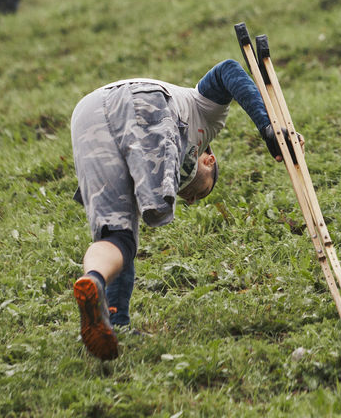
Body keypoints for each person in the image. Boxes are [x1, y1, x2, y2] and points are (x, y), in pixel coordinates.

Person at [69, 59, 285, 360]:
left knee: (117, 235)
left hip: (86, 115)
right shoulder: (207, 117)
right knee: (123, 232)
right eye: (203, 192)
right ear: (208, 161)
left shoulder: (147, 170)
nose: (193, 200)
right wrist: (268, 127)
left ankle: (98, 291)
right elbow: (228, 70)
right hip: (142, 99)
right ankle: (103, 300)